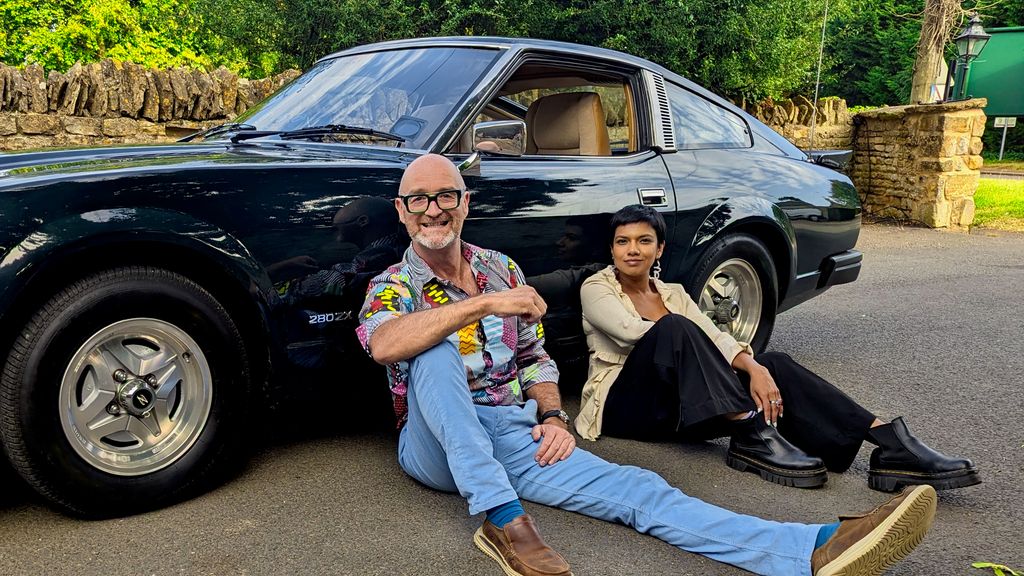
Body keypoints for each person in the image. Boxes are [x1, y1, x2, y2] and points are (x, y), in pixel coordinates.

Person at [356, 154, 938, 576]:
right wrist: (478, 306)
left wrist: (554, 420)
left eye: (445, 196)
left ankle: (809, 548)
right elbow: (384, 345)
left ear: (464, 204)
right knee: (430, 349)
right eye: (418, 200)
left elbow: (536, 359)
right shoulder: (393, 285)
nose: (433, 210)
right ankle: (502, 519)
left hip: (515, 436)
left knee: (643, 489)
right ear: (402, 213)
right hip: (435, 445)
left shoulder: (501, 268)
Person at [577, 204, 981, 492]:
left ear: (659, 250)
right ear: (612, 250)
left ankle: (888, 442)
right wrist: (719, 355)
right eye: (623, 242)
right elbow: (633, 332)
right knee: (675, 329)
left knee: (775, 362)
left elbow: (715, 337)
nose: (633, 250)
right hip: (623, 408)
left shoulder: (675, 292)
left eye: (644, 241)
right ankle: (751, 431)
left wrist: (754, 368)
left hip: (676, 406)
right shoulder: (596, 288)